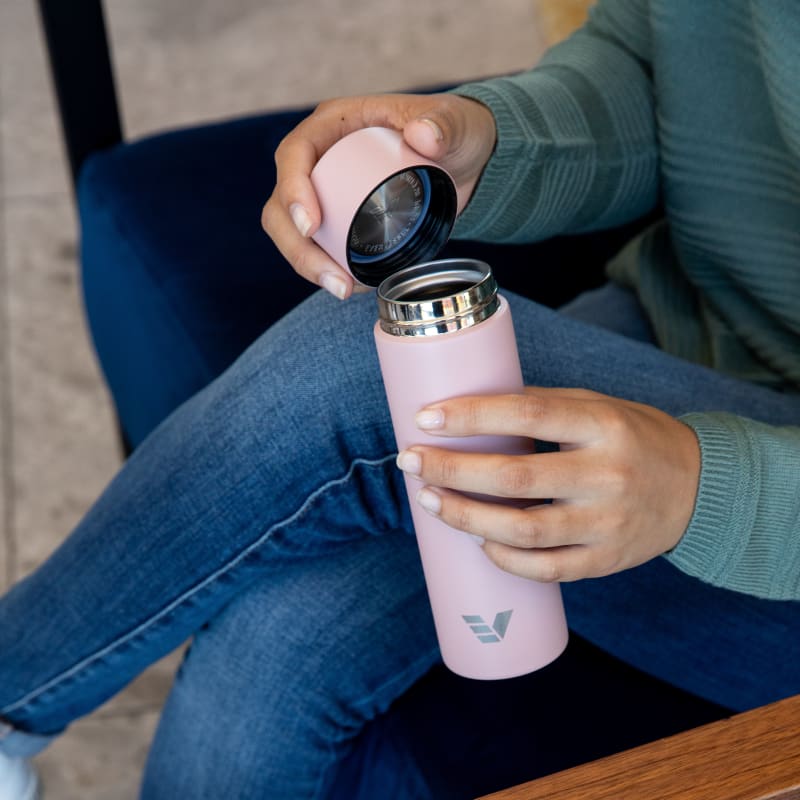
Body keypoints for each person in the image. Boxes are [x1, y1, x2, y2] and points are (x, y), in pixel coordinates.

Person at [2, 1, 800, 797]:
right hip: (684, 315)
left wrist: (715, 493)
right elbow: (672, 70)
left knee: (363, 359)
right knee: (284, 623)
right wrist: (487, 142)